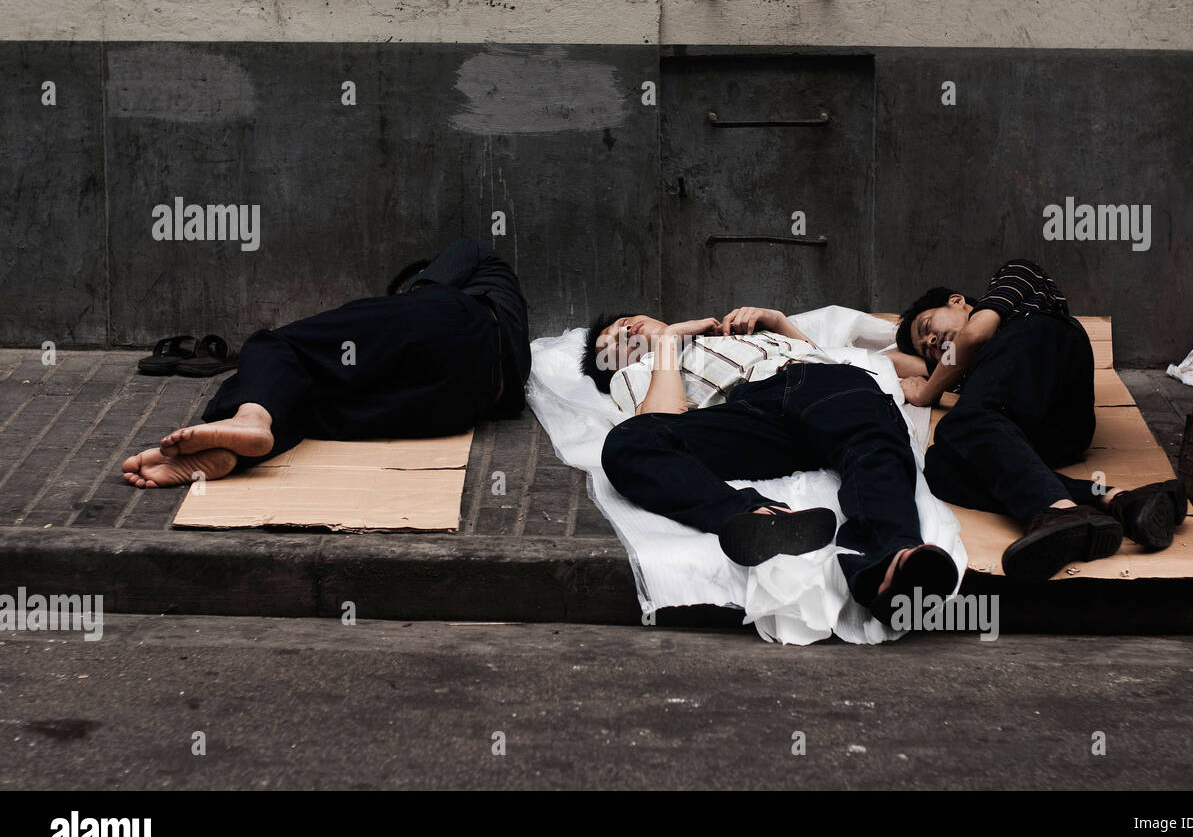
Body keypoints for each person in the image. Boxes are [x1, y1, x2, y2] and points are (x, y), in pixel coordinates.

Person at [585, 306, 960, 621]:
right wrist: (668, 343)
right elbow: (659, 418)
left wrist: (779, 322)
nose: (624, 331)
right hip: (753, 413)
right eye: (615, 344)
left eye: (622, 323)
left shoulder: (732, 331)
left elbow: (825, 360)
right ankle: (758, 517)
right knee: (627, 442)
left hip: (824, 384)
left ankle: (894, 561)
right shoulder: (636, 373)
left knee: (872, 444)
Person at [121, 236, 529, 488]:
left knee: (278, 345)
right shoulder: (509, 330)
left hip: (456, 329)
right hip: (459, 406)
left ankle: (249, 420)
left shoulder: (470, 270)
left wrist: (413, 291)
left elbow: (468, 248)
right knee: (305, 399)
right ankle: (240, 453)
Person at [887, 258, 1186, 580]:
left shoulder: (1016, 277)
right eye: (927, 348)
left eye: (927, 326)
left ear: (957, 300)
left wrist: (927, 393)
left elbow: (974, 333)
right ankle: (1119, 501)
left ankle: (1059, 513)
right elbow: (895, 362)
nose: (932, 342)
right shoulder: (960, 368)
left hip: (1049, 351)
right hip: (1045, 438)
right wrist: (832, 345)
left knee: (963, 423)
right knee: (943, 467)